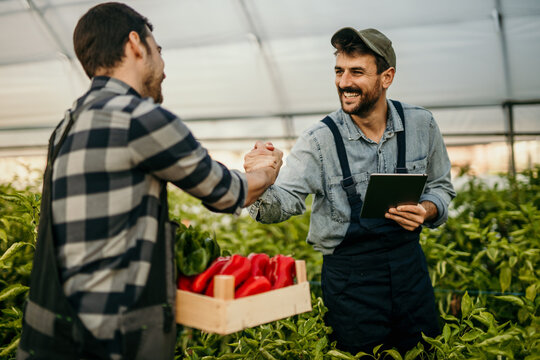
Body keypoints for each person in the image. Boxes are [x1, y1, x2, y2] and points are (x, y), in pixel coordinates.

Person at [17, 2, 282, 359]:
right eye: (158, 50)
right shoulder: (140, 119)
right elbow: (227, 193)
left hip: (47, 334)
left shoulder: (67, 124)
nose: (163, 67)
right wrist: (265, 170)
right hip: (109, 341)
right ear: (135, 44)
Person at [245, 27, 456, 355]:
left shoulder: (421, 125)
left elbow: (441, 187)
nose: (344, 82)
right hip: (350, 283)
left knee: (423, 351)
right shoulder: (319, 140)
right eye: (339, 71)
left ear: (387, 77)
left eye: (357, 72)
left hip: (409, 270)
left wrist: (426, 210)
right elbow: (281, 204)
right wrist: (260, 180)